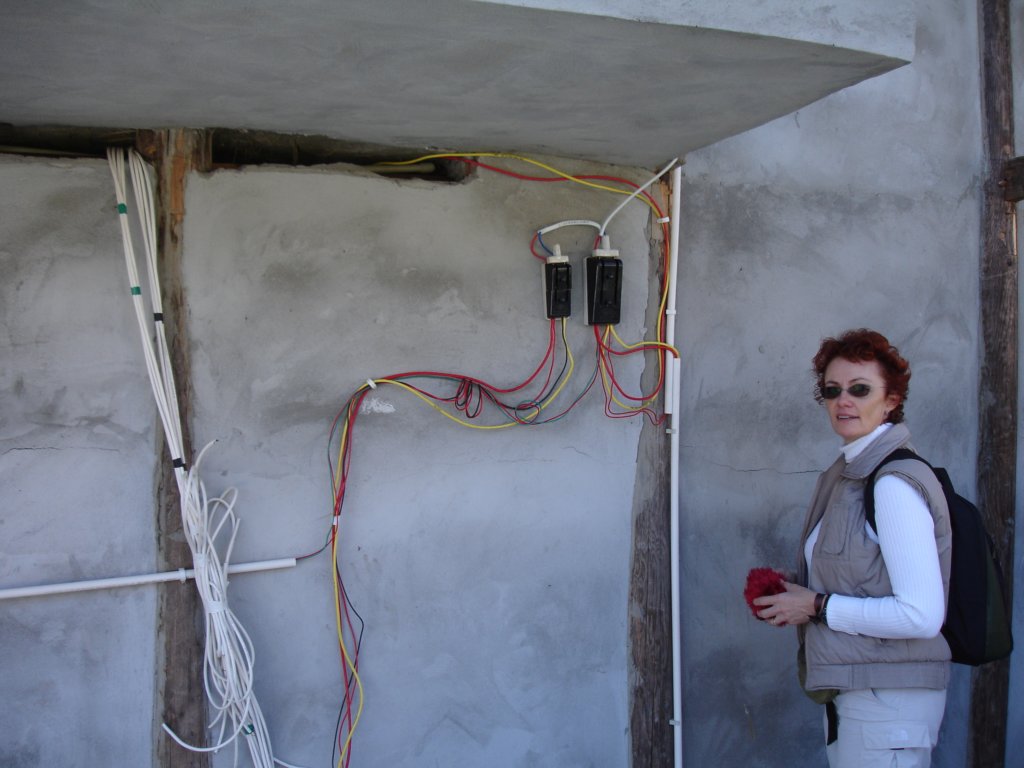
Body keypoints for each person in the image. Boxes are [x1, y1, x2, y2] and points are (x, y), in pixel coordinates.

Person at [753, 328, 952, 767]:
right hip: (863, 694)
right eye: (832, 390)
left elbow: (921, 615)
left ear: (891, 399)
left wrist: (816, 605)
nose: (843, 401)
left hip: (888, 703)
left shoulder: (892, 484)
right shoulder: (850, 474)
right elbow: (865, 574)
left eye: (860, 389)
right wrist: (799, 588)